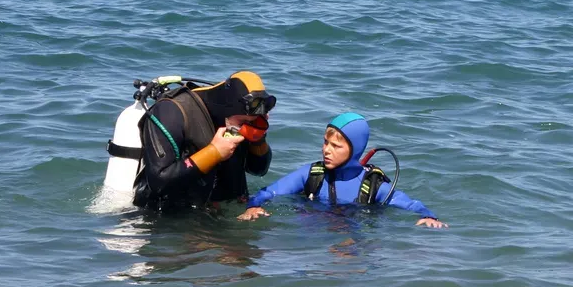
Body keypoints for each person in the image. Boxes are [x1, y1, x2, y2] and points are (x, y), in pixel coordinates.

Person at [237, 113, 447, 228]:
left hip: (351, 237)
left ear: (355, 149)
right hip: (309, 237)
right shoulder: (312, 174)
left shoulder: (373, 186)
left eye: (336, 146)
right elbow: (269, 192)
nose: (326, 150)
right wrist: (253, 206)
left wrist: (430, 217)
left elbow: (411, 205)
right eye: (325, 142)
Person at [132, 71, 276, 211]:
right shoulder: (170, 112)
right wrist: (214, 152)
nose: (246, 126)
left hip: (220, 211)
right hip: (172, 219)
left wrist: (258, 137)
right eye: (244, 122)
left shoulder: (242, 118)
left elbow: (259, 170)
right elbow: (159, 181)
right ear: (229, 107)